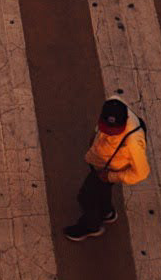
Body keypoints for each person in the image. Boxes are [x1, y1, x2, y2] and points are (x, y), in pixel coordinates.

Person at [64, 97, 149, 242]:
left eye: (112, 131)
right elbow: (98, 129)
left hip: (108, 170)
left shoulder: (134, 143)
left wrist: (110, 177)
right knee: (102, 191)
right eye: (105, 128)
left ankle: (91, 227)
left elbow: (142, 173)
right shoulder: (114, 102)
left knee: (87, 196)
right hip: (99, 164)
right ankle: (106, 212)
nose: (107, 132)